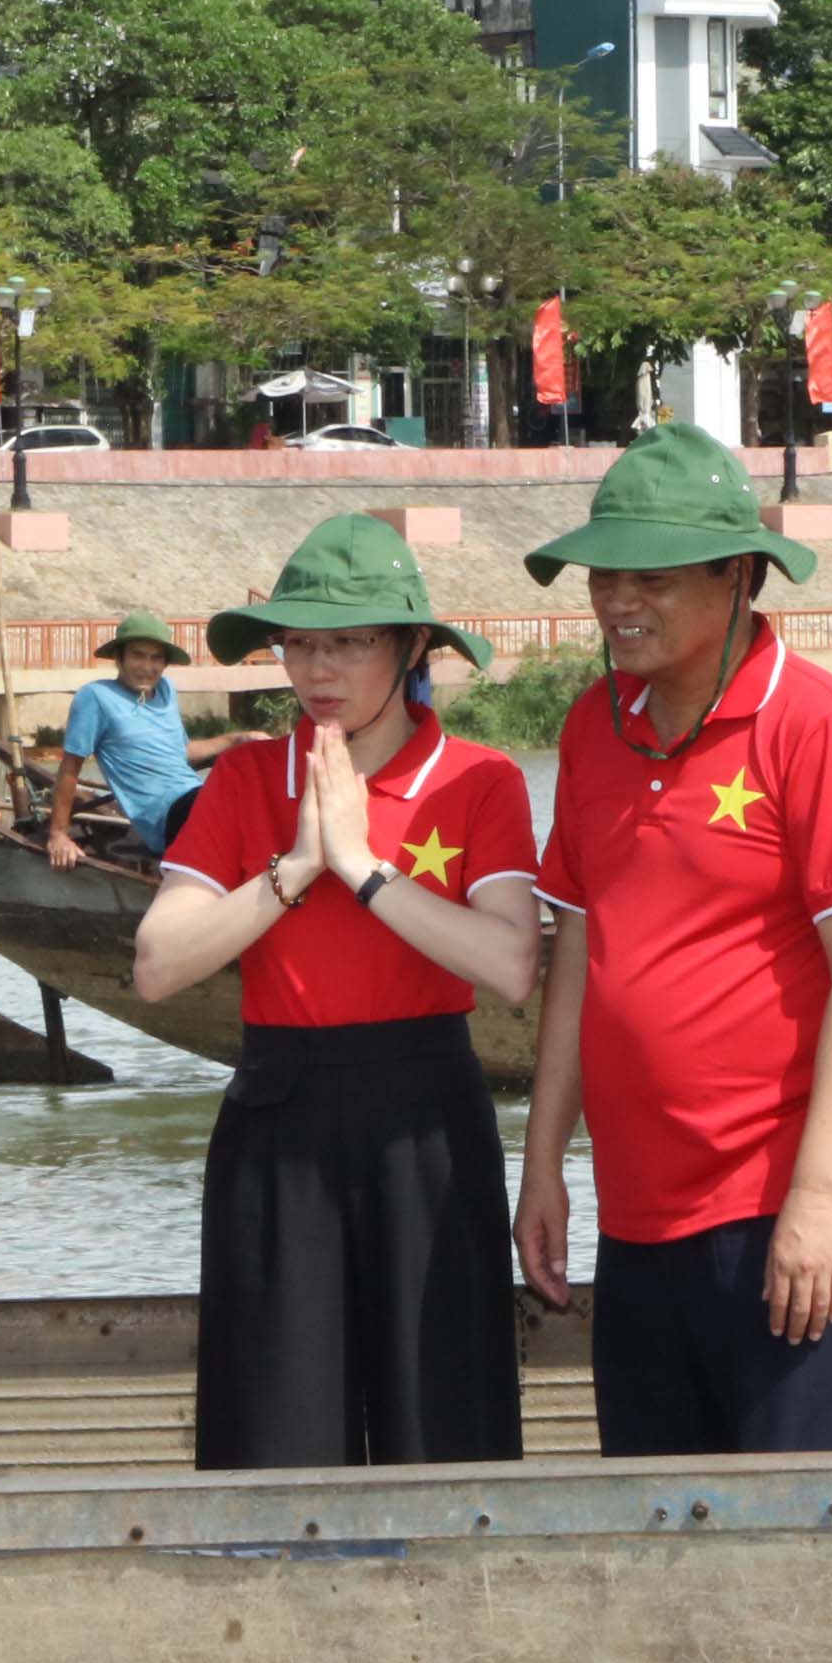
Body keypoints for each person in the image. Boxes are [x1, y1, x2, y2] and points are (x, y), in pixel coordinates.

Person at [514, 423, 832, 1456]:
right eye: (603, 576)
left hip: (779, 1200)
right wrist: (542, 1163)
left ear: (738, 575)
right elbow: (577, 962)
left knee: (795, 1528)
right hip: (638, 1212)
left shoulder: (820, 729)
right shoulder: (593, 725)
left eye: (650, 578)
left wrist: (819, 1198)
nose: (616, 602)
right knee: (649, 1522)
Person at [131, 514, 542, 1465]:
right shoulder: (243, 779)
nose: (319, 670)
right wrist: (298, 865)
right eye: (300, 644)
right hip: (279, 1115)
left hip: (428, 1116)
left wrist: (361, 868)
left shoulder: (478, 782)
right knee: (274, 1429)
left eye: (350, 643)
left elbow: (512, 965)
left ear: (406, 648)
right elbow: (158, 964)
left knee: (444, 1421)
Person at [46, 615, 236, 864]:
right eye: (138, 655)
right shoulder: (96, 697)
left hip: (196, 795)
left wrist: (238, 739)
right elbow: (70, 766)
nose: (147, 667)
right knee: (229, 803)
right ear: (119, 658)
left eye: (156, 658)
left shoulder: (165, 690)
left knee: (258, 790)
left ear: (165, 663)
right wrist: (58, 834)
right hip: (166, 815)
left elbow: (182, 752)